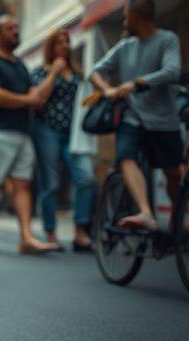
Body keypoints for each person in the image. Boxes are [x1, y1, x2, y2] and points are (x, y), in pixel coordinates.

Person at [90, 0, 183, 230]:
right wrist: (107, 90)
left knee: (173, 172)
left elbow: (172, 71)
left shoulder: (167, 40)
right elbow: (95, 72)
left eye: (125, 16)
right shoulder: (125, 46)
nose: (124, 21)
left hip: (164, 119)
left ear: (137, 16)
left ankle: (176, 219)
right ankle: (145, 212)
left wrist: (138, 82)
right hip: (133, 116)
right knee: (126, 157)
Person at [0, 15, 61, 254]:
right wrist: (27, 100)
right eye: (10, 28)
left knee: (23, 184)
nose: (16, 31)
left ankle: (26, 237)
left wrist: (51, 75)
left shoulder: (20, 64)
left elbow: (36, 96)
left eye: (16, 27)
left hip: (22, 133)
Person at [31, 30, 96, 252]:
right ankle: (50, 234)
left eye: (68, 41)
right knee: (50, 183)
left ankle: (80, 232)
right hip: (47, 131)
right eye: (59, 42)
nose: (65, 45)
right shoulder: (41, 72)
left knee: (86, 178)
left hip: (74, 135)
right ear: (51, 48)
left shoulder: (78, 73)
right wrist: (53, 74)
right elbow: (39, 99)